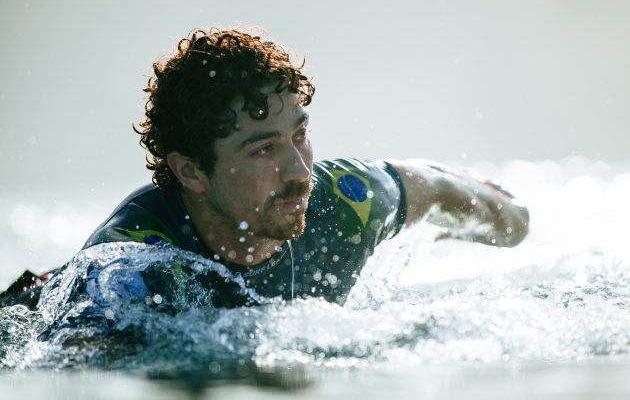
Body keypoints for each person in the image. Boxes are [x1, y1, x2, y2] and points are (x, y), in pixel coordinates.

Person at [0, 28, 528, 312]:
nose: (299, 171)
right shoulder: (132, 272)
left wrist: (510, 224)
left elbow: (452, 193)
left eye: (299, 136)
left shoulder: (345, 201)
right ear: (191, 171)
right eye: (262, 150)